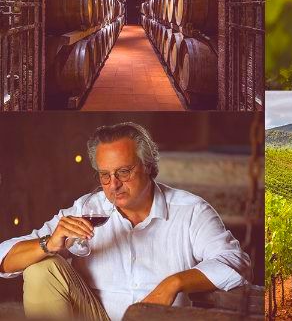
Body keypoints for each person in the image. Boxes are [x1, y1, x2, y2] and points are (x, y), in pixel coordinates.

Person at [0, 122, 250, 320]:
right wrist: (49, 244)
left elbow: (235, 262)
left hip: (159, 320)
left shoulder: (191, 211)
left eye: (123, 172)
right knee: (42, 267)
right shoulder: (86, 209)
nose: (113, 185)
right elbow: (3, 259)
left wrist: (173, 283)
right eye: (105, 175)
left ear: (148, 167)